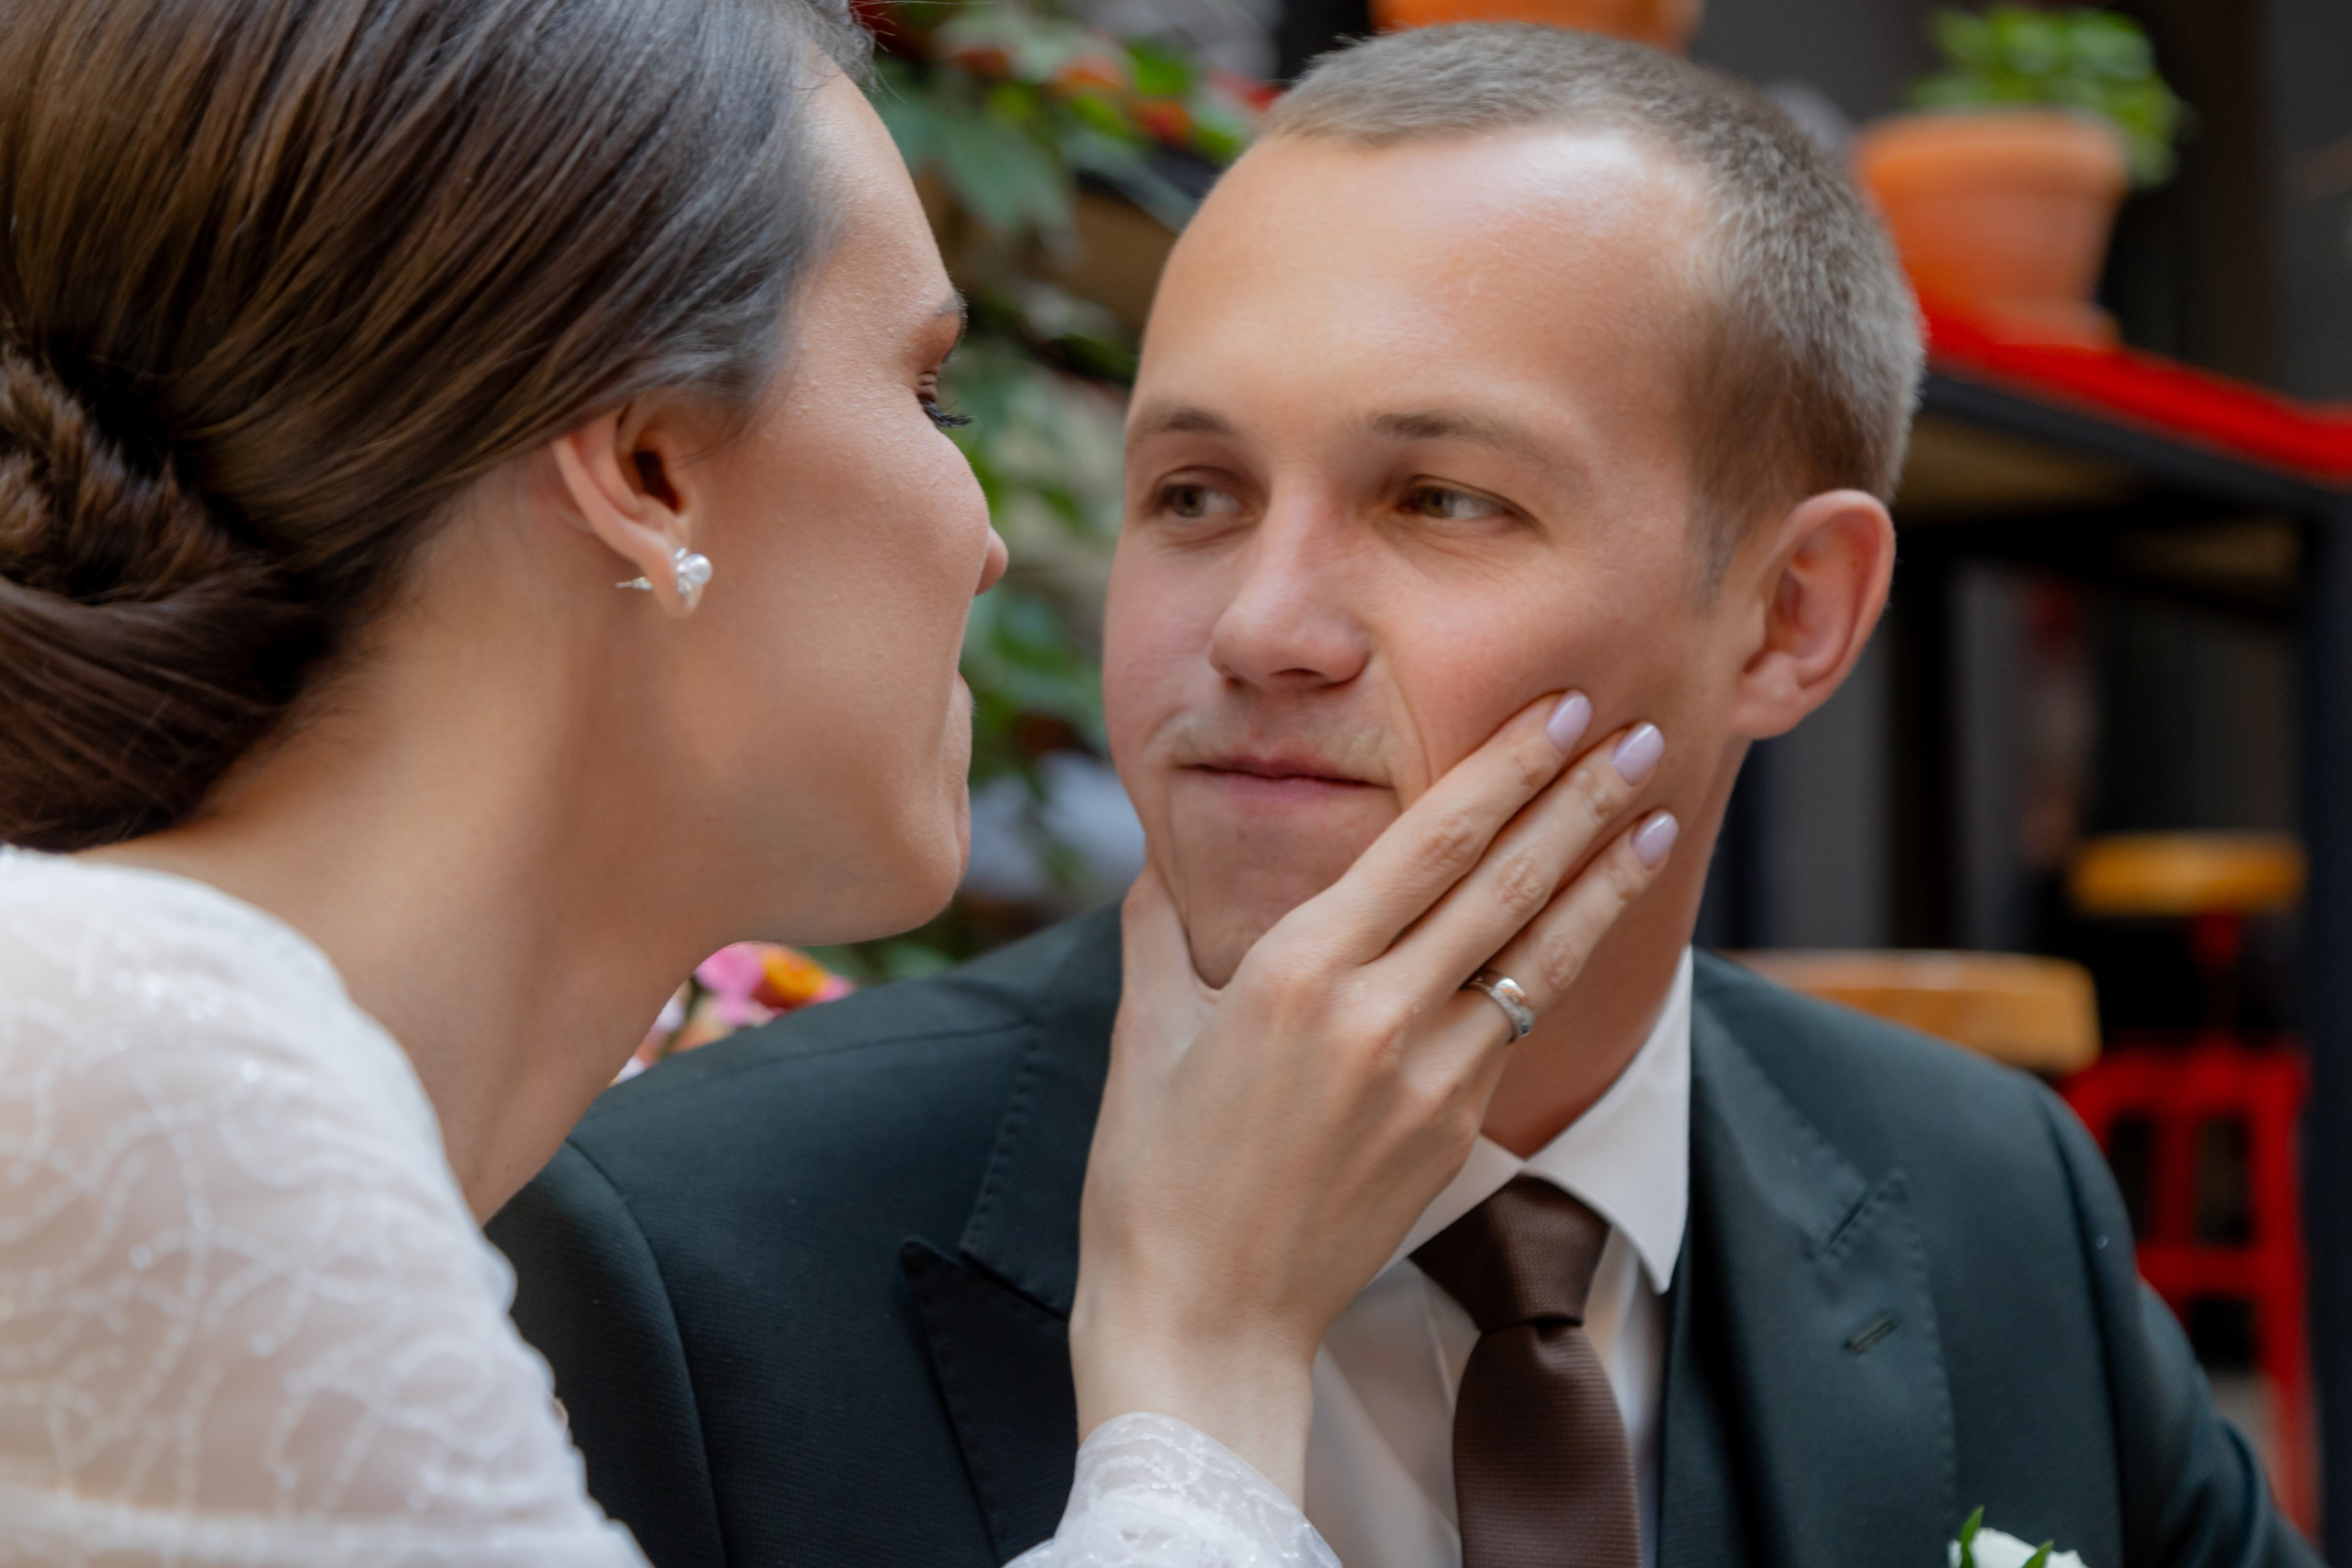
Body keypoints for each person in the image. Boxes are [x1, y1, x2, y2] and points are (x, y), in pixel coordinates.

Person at [493, 23, 2321, 1568]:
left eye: (1439, 500)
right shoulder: (682, 1257)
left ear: (1789, 615)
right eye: (1195, 493)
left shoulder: (1985, 1193)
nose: (1259, 627)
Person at [0, 3, 1676, 1563]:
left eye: (1442, 502)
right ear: (648, 464)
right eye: (926, 390)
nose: (993, 539)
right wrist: (1205, 1343)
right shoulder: (157, 1087)